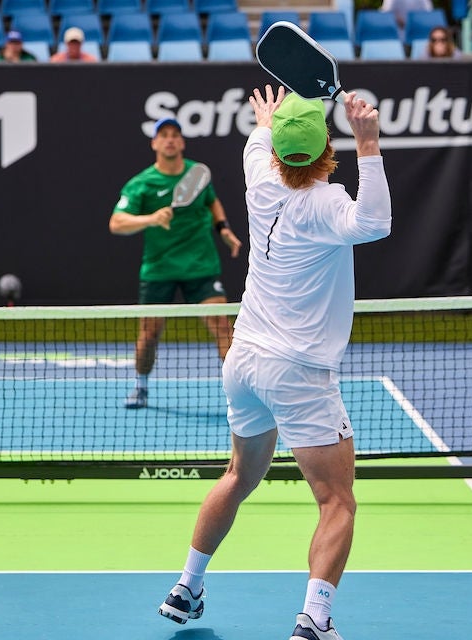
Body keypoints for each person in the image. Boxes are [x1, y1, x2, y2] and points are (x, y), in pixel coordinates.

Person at [155, 85, 391, 640]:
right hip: (300, 372)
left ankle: (186, 586)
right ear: (327, 149)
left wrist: (268, 119)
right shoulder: (329, 204)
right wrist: (370, 142)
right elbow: (375, 223)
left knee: (238, 475)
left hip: (244, 361)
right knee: (337, 501)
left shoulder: (259, 177)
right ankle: (315, 618)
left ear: (279, 149)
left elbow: (259, 140)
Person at [109, 117, 242, 409]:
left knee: (222, 326)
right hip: (159, 270)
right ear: (154, 143)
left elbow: (211, 201)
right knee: (149, 333)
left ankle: (240, 392)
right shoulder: (141, 184)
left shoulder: (197, 174)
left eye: (175, 135)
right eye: (163, 135)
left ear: (182, 142)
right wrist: (151, 218)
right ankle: (141, 386)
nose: (169, 139)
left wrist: (224, 229)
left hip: (200, 265)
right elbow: (116, 223)